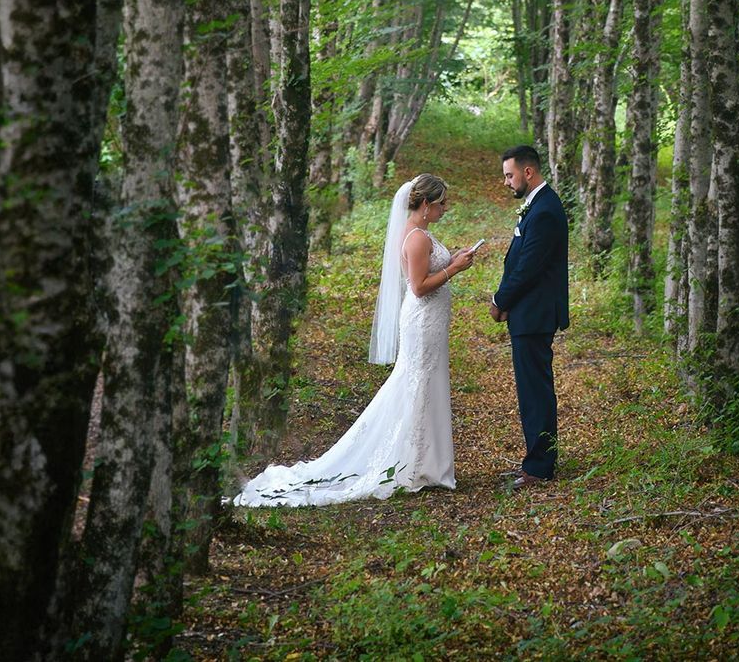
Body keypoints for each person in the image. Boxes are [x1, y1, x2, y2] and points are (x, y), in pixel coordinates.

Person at [230, 173, 478, 507]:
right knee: (418, 384)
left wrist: (450, 258)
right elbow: (418, 287)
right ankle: (416, 463)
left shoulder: (420, 234)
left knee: (425, 384)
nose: (445, 208)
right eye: (441, 203)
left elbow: (424, 274)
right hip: (422, 321)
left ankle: (426, 462)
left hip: (430, 322)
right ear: (425, 204)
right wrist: (455, 269)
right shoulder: (417, 237)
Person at [488, 145, 569, 487]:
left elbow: (529, 267)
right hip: (528, 312)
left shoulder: (546, 210)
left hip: (535, 314)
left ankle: (539, 467)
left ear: (528, 172)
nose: (506, 182)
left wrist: (499, 300)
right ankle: (536, 460)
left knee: (535, 391)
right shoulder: (536, 206)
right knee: (532, 390)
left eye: (509, 175)